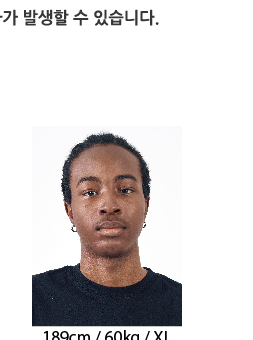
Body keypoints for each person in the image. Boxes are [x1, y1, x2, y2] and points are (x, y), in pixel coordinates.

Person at [32, 133, 181, 326]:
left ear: (146, 205)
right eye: (90, 192)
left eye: (125, 190)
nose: (109, 206)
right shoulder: (34, 299)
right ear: (70, 211)